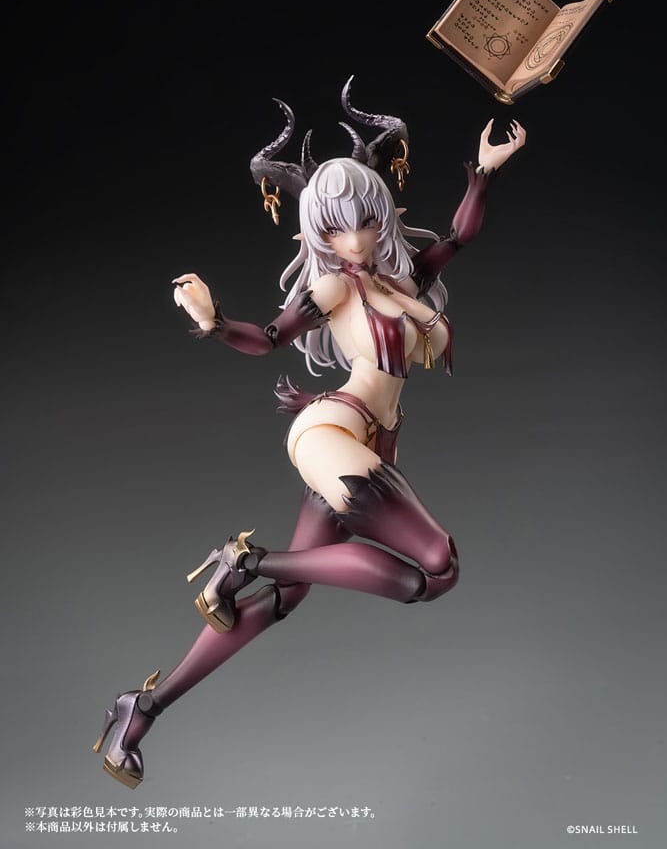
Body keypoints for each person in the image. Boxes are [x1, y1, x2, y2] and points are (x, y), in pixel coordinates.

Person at [93, 77, 526, 788]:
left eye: (361, 220)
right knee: (437, 568)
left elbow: (458, 237)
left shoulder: (403, 279)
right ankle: (245, 561)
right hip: (332, 431)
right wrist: (212, 323)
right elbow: (269, 337)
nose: (349, 238)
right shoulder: (335, 287)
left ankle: (140, 710)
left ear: (380, 215)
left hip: (365, 440)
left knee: (287, 600)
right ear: (316, 233)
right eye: (331, 228)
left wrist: (482, 171)